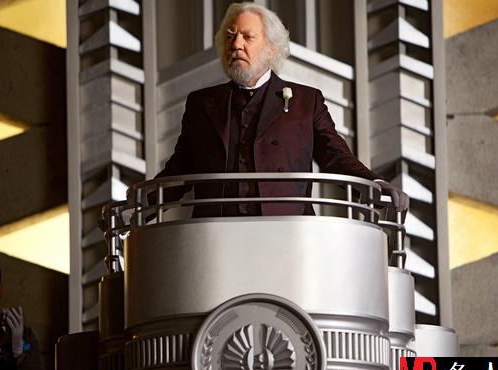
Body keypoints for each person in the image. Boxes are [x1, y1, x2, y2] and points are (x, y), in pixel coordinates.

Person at [156, 3, 408, 217]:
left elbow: (336, 157)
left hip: (287, 236)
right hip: (214, 240)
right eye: (230, 37)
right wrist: (142, 205)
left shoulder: (306, 101)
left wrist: (374, 185)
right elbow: (180, 169)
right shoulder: (201, 103)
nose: (236, 44)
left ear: (271, 49)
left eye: (247, 37)